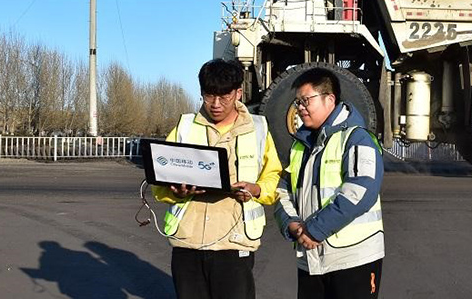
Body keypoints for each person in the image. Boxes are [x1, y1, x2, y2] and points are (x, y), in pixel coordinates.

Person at [152, 59, 282, 299]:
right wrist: (176, 192)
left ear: (239, 93)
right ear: (201, 92)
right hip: (188, 242)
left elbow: (273, 175)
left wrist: (256, 189)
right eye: (209, 96)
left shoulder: (258, 128)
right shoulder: (185, 127)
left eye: (225, 97)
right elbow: (160, 180)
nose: (216, 105)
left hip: (234, 243)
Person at [274, 68, 384, 299]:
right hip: (311, 259)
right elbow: (282, 189)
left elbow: (361, 191)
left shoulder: (357, 138)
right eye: (297, 102)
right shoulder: (300, 145)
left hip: (354, 259)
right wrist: (291, 223)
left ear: (330, 99)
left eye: (306, 100)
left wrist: (315, 230)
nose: (300, 108)